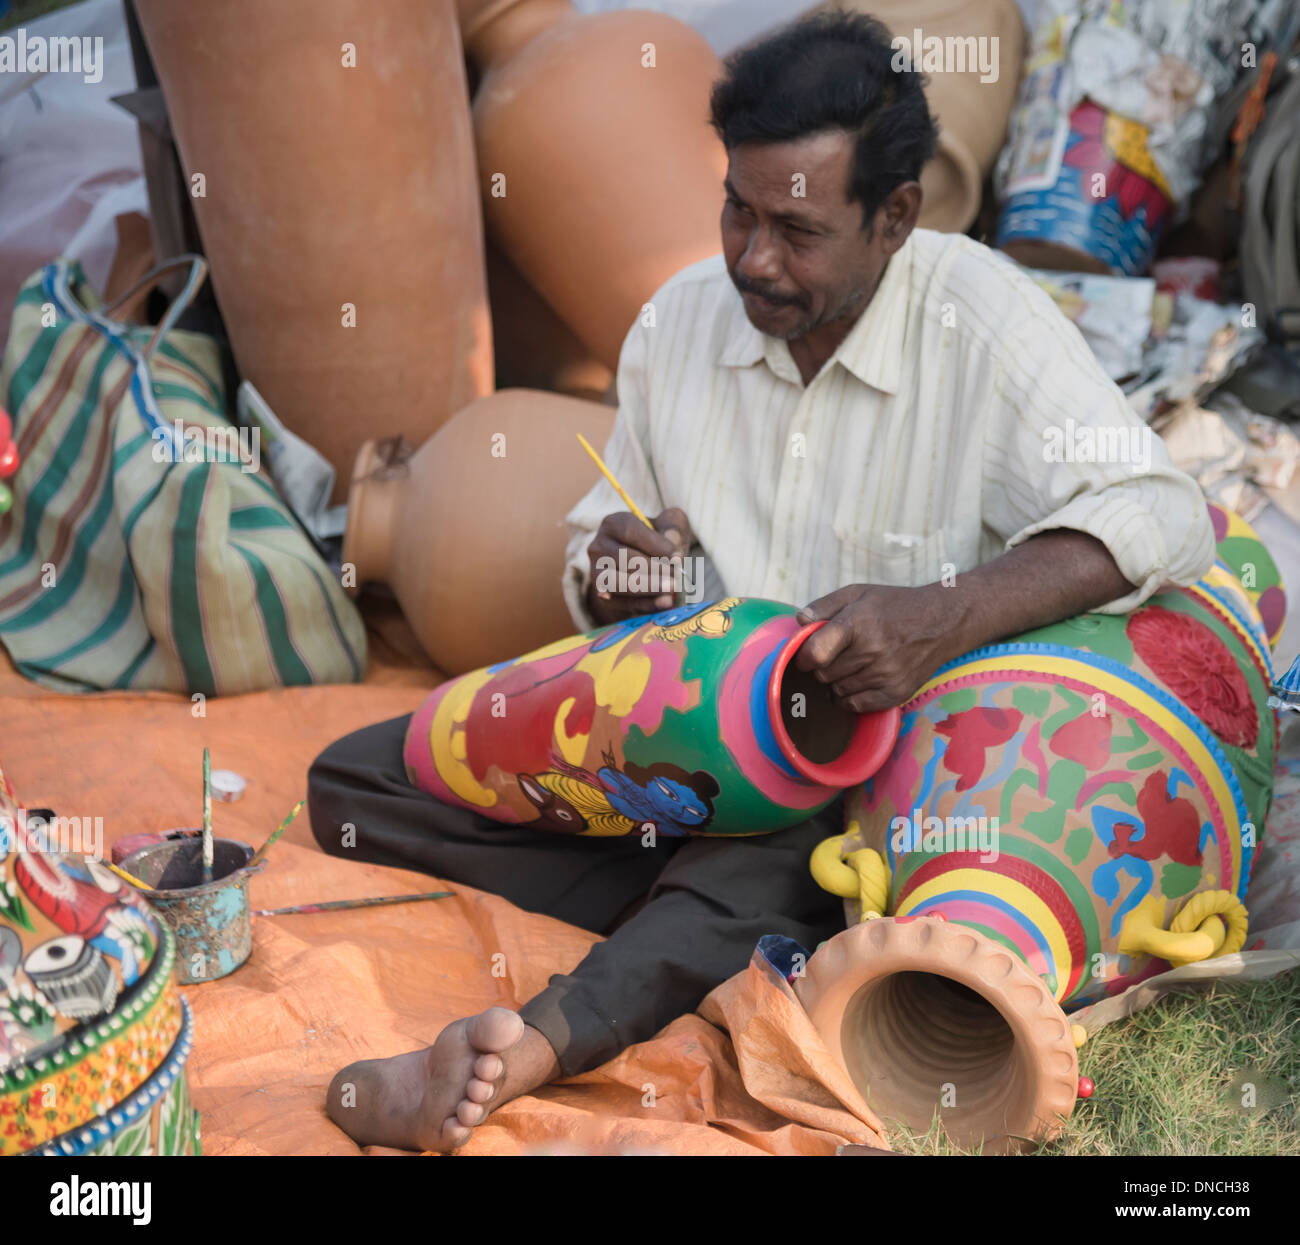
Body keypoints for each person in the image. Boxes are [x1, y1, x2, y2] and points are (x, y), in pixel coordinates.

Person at [310, 11, 1213, 1152]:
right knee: (356, 784)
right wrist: (618, 578)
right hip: (683, 750)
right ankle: (725, 929)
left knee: (771, 854)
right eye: (737, 208)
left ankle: (531, 1042)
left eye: (796, 228)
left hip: (866, 783)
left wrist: (942, 618)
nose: (751, 256)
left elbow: (1158, 509)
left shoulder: (979, 318)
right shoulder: (679, 323)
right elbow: (605, 542)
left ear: (894, 217)